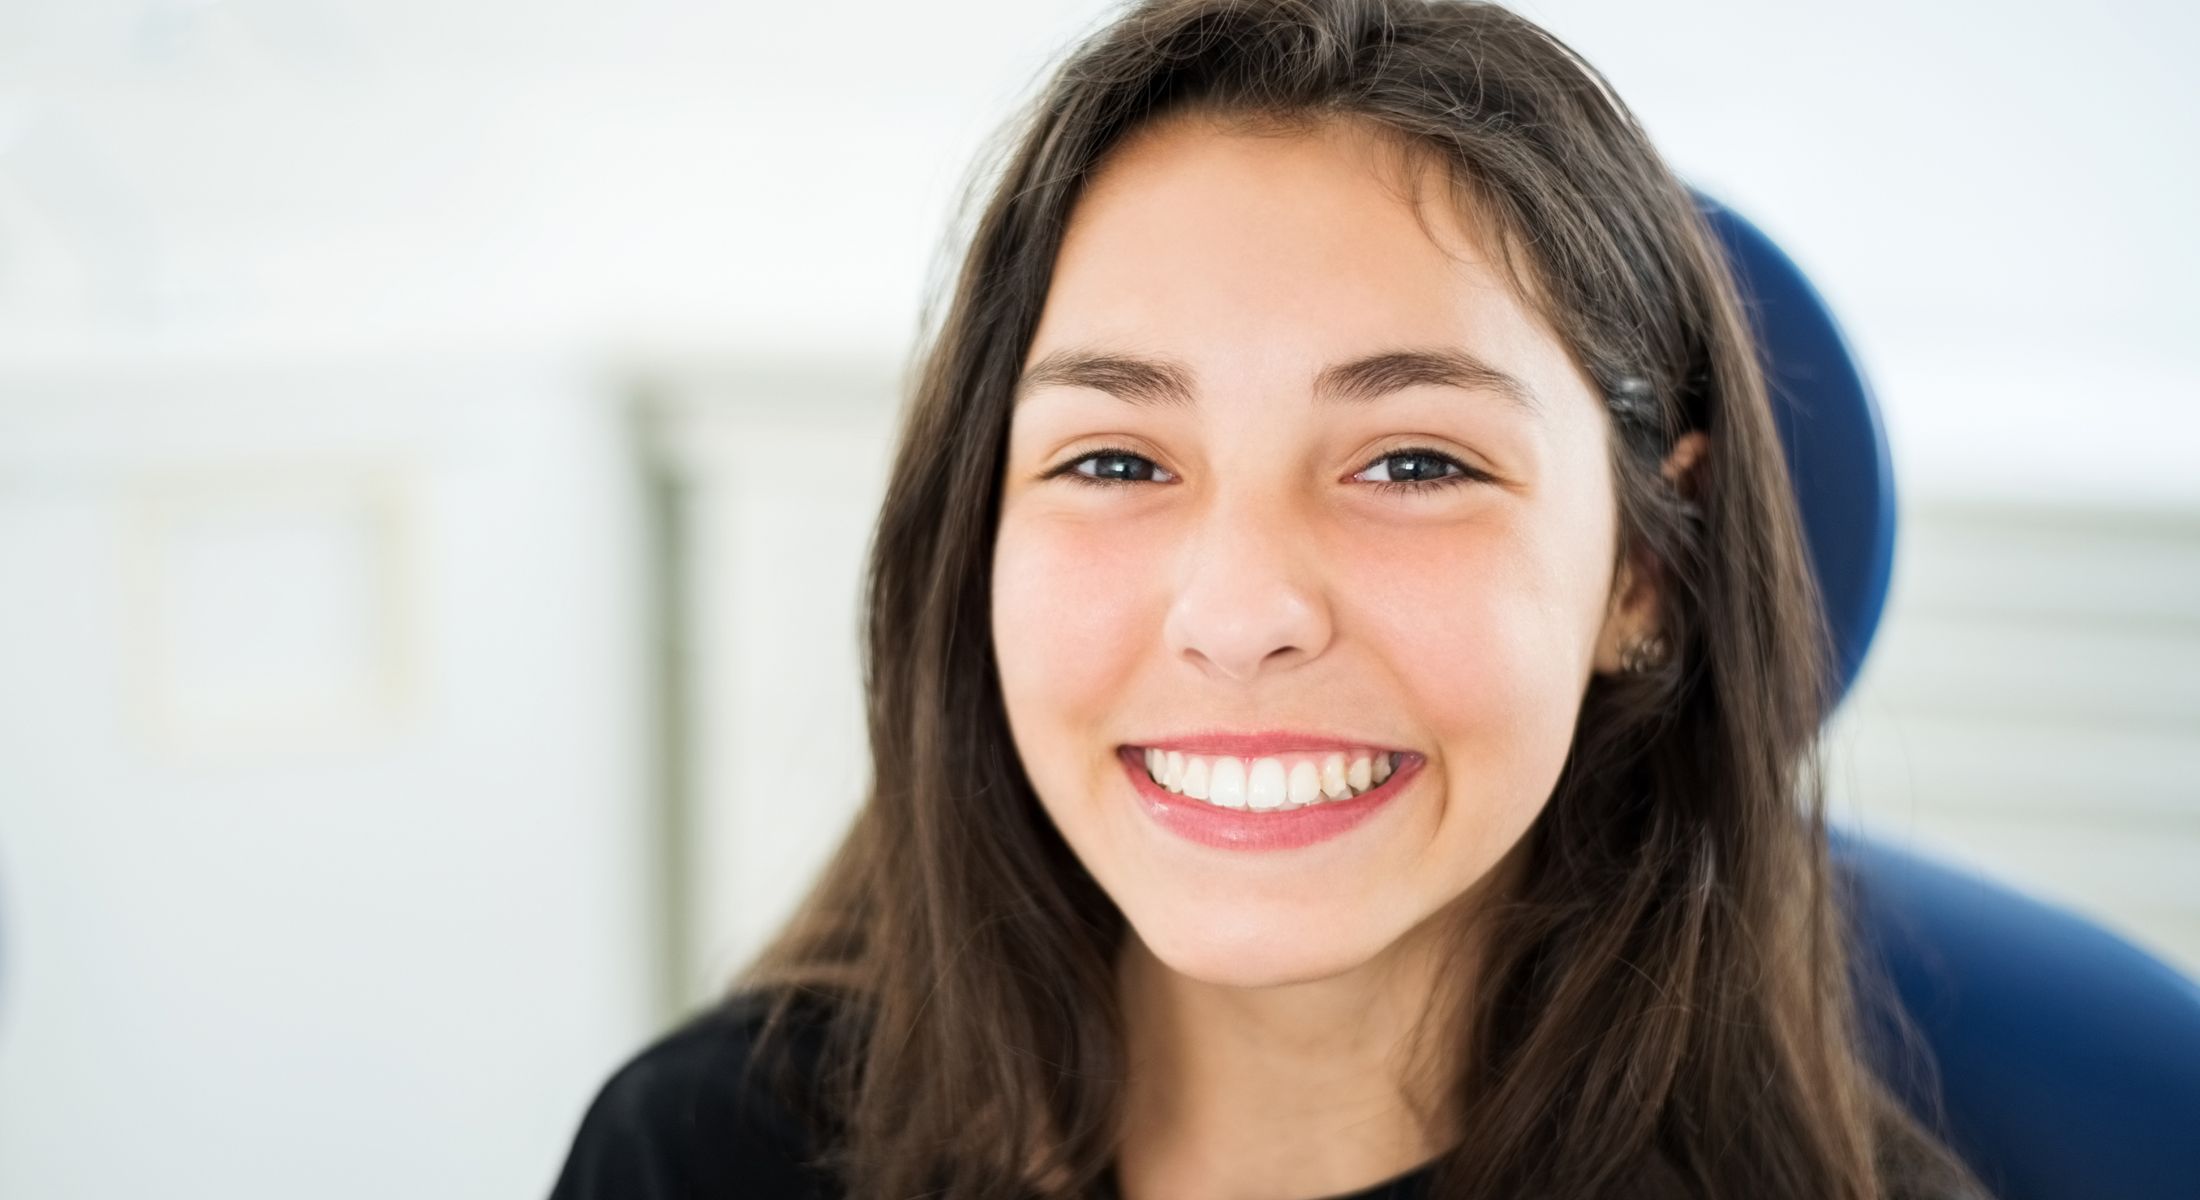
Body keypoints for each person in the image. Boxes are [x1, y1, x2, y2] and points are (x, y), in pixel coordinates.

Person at [549, 1, 1994, 1197]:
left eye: (1414, 460)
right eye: (1115, 458)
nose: (1239, 615)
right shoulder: (703, 1160)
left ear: (1644, 570)